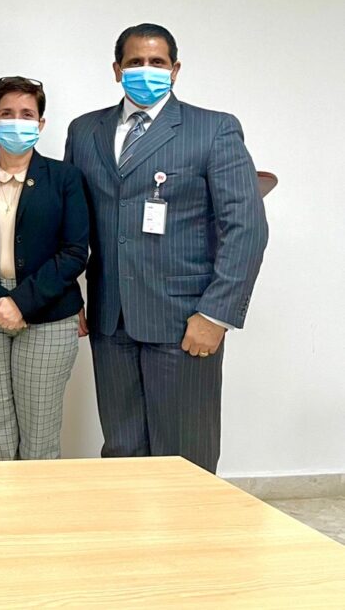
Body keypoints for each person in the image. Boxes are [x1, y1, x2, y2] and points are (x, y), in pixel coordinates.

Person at [64, 23, 268, 473]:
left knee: (183, 457)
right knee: (122, 451)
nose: (146, 70)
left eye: (157, 62)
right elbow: (71, 226)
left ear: (175, 70)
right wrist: (69, 297)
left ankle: (190, 525)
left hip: (184, 322)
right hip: (110, 320)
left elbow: (246, 228)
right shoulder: (84, 131)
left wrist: (216, 314)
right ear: (116, 69)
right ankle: (131, 522)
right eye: (135, 62)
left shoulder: (213, 129)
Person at [0, 77, 89, 461]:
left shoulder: (65, 179)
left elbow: (75, 252)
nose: (16, 121)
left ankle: (36, 504)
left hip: (48, 315)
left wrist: (20, 303)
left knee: (39, 438)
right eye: (6, 113)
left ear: (41, 124)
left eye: (27, 114)